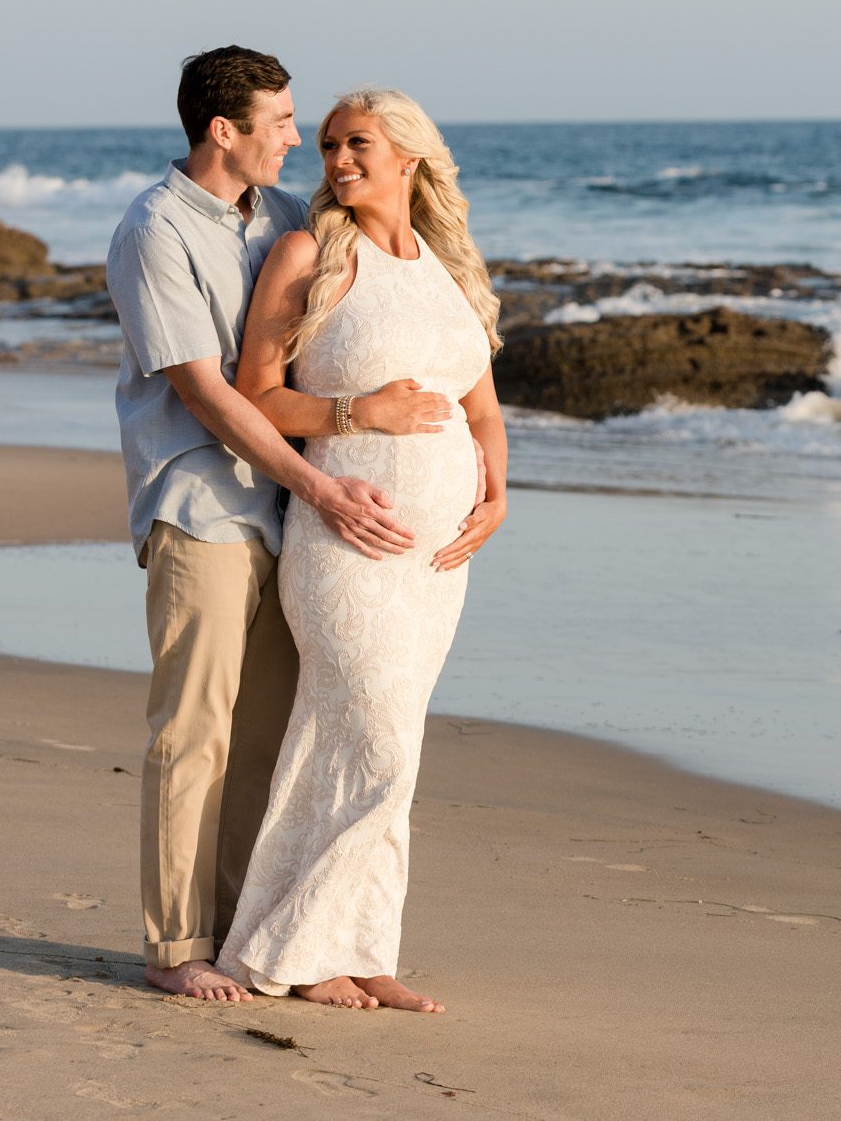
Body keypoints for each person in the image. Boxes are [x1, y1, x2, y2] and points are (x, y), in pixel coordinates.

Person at [106, 48, 419, 1002]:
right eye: (280, 123)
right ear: (222, 131)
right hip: (200, 503)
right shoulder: (154, 231)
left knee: (273, 740)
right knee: (193, 730)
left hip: (288, 518)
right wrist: (328, 478)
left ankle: (252, 936)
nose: (298, 139)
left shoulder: (285, 220)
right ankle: (177, 949)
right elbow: (209, 394)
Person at [216, 87, 508, 1013]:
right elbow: (256, 395)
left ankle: (364, 946)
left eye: (358, 145)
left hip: (436, 561)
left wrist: (497, 492)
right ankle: (292, 946)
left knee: (383, 744)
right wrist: (358, 413)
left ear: (410, 157)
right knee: (377, 743)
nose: (337, 160)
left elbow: (483, 409)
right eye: (331, 144)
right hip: (344, 543)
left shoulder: (450, 268)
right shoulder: (310, 253)